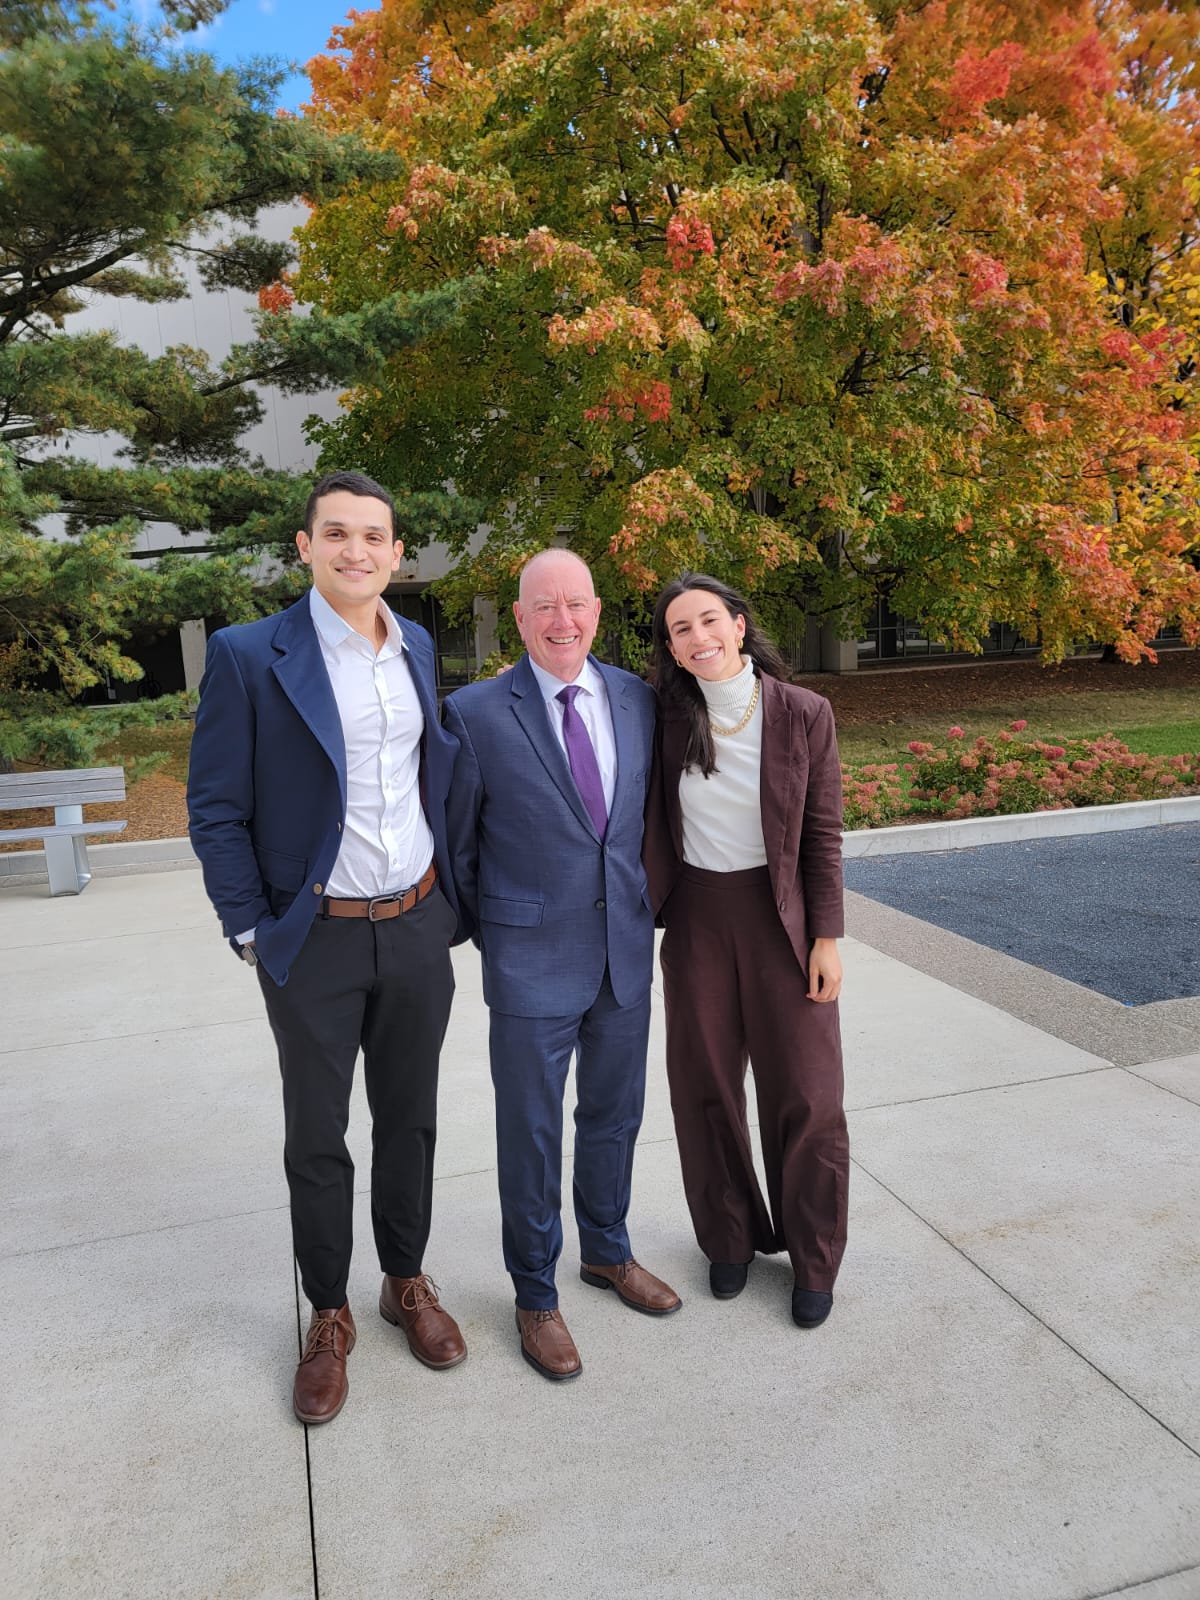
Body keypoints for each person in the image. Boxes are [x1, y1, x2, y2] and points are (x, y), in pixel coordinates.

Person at [187, 469, 467, 1425]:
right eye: (336, 534)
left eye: (374, 536)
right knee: (318, 1137)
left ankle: (405, 1280)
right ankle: (331, 1312)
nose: (357, 550)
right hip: (315, 941)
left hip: (418, 924)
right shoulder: (248, 654)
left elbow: (430, 774)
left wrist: (449, 902)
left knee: (412, 1120)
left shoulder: (417, 644)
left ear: (397, 554)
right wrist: (249, 929)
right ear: (304, 547)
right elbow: (216, 806)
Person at [443, 549, 681, 1381]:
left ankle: (607, 1252)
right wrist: (496, 931)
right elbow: (457, 844)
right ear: (519, 617)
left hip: (623, 952)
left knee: (615, 1115)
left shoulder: (638, 699)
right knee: (533, 1136)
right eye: (544, 606)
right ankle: (535, 1294)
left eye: (575, 604)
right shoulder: (473, 713)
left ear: (598, 609)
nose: (562, 621)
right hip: (528, 959)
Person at [642, 572, 849, 1328]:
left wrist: (827, 935)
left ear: (738, 622)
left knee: (809, 1094)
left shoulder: (803, 713)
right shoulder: (662, 716)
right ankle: (727, 1240)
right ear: (670, 649)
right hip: (697, 917)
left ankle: (814, 1256)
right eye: (680, 630)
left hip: (782, 920)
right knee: (705, 1090)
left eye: (707, 621)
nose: (698, 639)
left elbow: (823, 832)